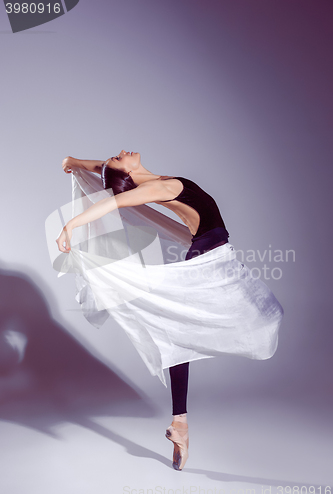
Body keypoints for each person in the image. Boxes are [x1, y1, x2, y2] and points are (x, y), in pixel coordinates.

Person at [56, 150, 281, 471]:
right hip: (210, 260)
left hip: (209, 254)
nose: (118, 153)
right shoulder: (162, 188)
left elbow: (104, 170)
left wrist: (74, 162)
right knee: (257, 319)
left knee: (180, 338)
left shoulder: (152, 181)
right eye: (118, 160)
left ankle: (180, 425)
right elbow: (113, 201)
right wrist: (71, 225)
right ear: (127, 176)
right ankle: (180, 424)